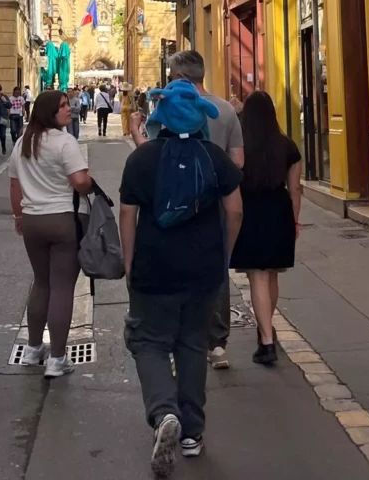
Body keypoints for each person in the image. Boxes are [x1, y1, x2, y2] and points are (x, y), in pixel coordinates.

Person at [120, 80, 243, 475]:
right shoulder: (213, 157)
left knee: (148, 342)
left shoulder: (141, 160)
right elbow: (236, 210)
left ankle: (163, 412)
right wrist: (223, 255)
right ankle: (191, 433)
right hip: (204, 270)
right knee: (192, 345)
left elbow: (128, 217)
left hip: (153, 269)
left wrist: (128, 264)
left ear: (161, 118)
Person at [167, 50, 244, 371]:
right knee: (216, 274)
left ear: (180, 77)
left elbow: (159, 159)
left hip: (174, 208)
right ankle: (217, 345)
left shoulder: (169, 109)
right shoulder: (226, 110)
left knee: (175, 276)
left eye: (171, 76)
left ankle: (178, 345)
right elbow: (239, 161)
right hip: (216, 207)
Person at [9, 91, 93, 377]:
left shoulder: (23, 143)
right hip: (62, 220)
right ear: (49, 112)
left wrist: (19, 216)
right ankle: (57, 358)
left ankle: (33, 349)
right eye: (62, 106)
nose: (69, 109)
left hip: (33, 220)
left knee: (41, 283)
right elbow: (80, 182)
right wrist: (90, 182)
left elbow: (14, 186)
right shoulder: (64, 142)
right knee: (61, 287)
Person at [229, 90, 302, 367]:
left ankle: (267, 340)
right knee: (271, 275)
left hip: (250, 211)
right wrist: (294, 221)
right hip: (279, 210)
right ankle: (265, 331)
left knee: (257, 277)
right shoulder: (287, 146)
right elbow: (295, 188)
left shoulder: (241, 146)